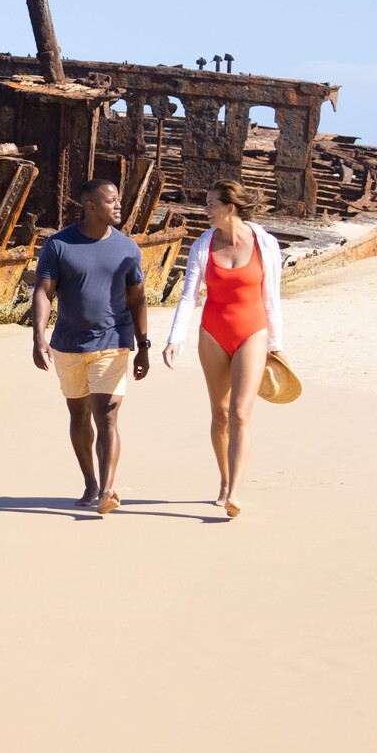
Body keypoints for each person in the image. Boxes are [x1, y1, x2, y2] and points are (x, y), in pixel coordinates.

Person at [162, 179, 284, 518]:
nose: (206, 210)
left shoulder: (265, 243)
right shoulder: (203, 244)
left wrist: (277, 344)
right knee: (220, 413)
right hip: (213, 334)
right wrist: (175, 339)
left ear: (230, 208)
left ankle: (234, 492)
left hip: (252, 332)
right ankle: (224, 479)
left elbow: (271, 296)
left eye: (211, 204)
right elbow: (189, 295)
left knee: (242, 413)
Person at [30, 178, 151, 514]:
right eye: (111, 201)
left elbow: (137, 300)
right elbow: (43, 292)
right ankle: (90, 483)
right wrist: (39, 336)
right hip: (68, 344)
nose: (118, 206)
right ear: (91, 206)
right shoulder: (58, 245)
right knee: (79, 414)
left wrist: (143, 346)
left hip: (113, 341)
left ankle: (108, 489)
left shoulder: (128, 248)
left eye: (119, 200)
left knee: (107, 415)